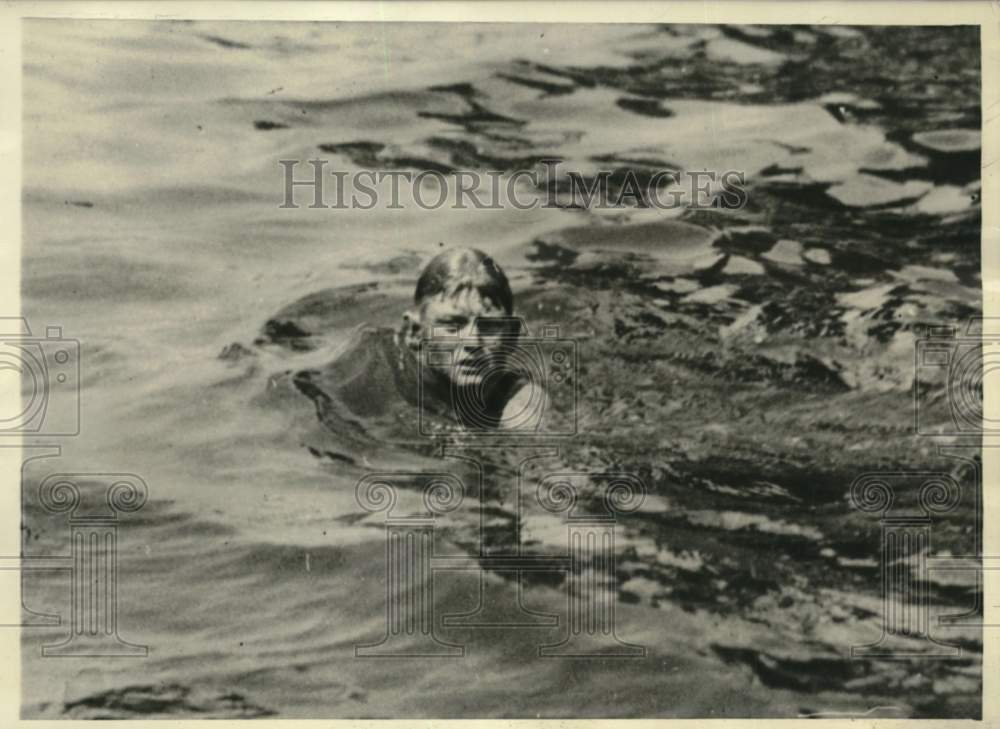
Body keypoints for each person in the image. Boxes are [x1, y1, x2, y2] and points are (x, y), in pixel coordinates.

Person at [291, 247, 544, 447]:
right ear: (414, 333)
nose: (472, 343)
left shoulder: (518, 396)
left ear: (511, 337)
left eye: (489, 328)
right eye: (452, 325)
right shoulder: (368, 370)